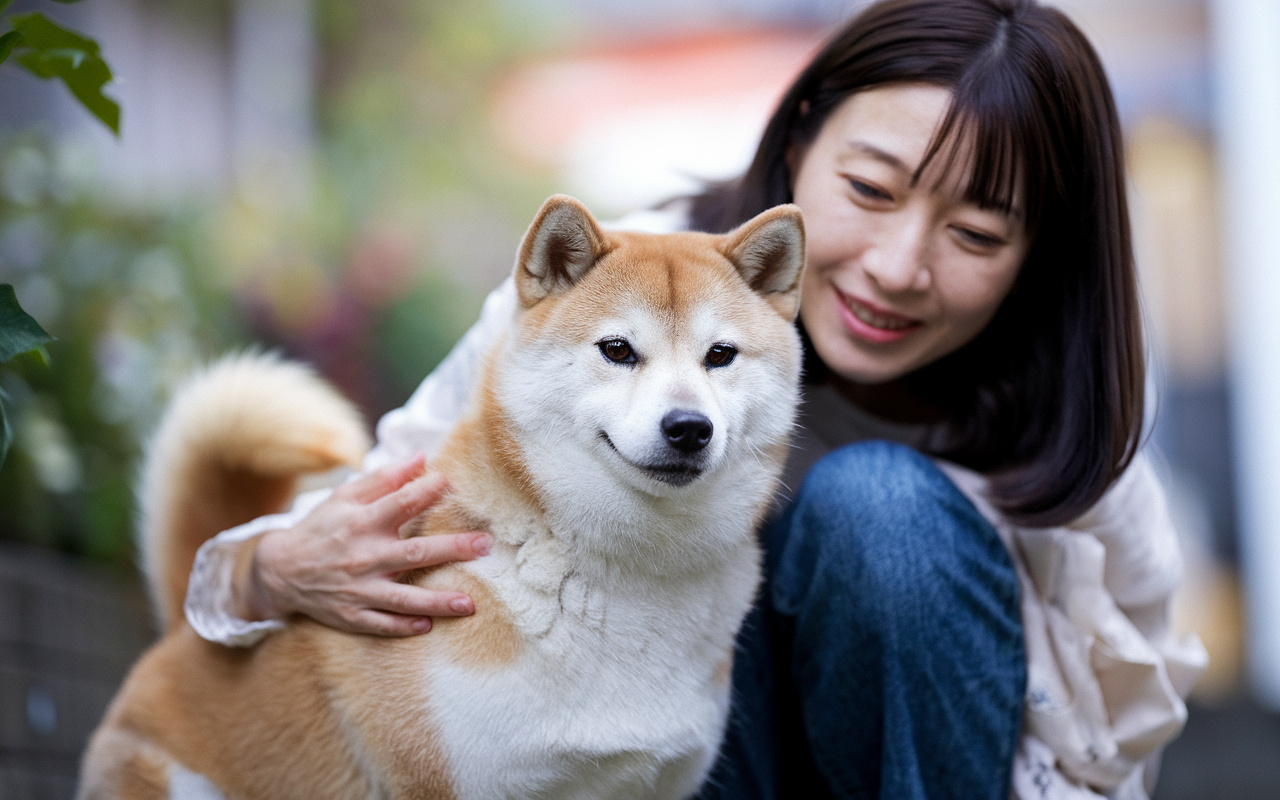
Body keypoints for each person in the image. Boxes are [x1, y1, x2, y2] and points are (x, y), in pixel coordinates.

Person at [182, 0, 1207, 797]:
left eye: (976, 235)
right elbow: (391, 508)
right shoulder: (609, 282)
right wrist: (265, 565)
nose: (897, 266)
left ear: (1036, 255)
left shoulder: (1070, 419)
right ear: (800, 133)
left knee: (875, 508)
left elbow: (1118, 744)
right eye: (869, 188)